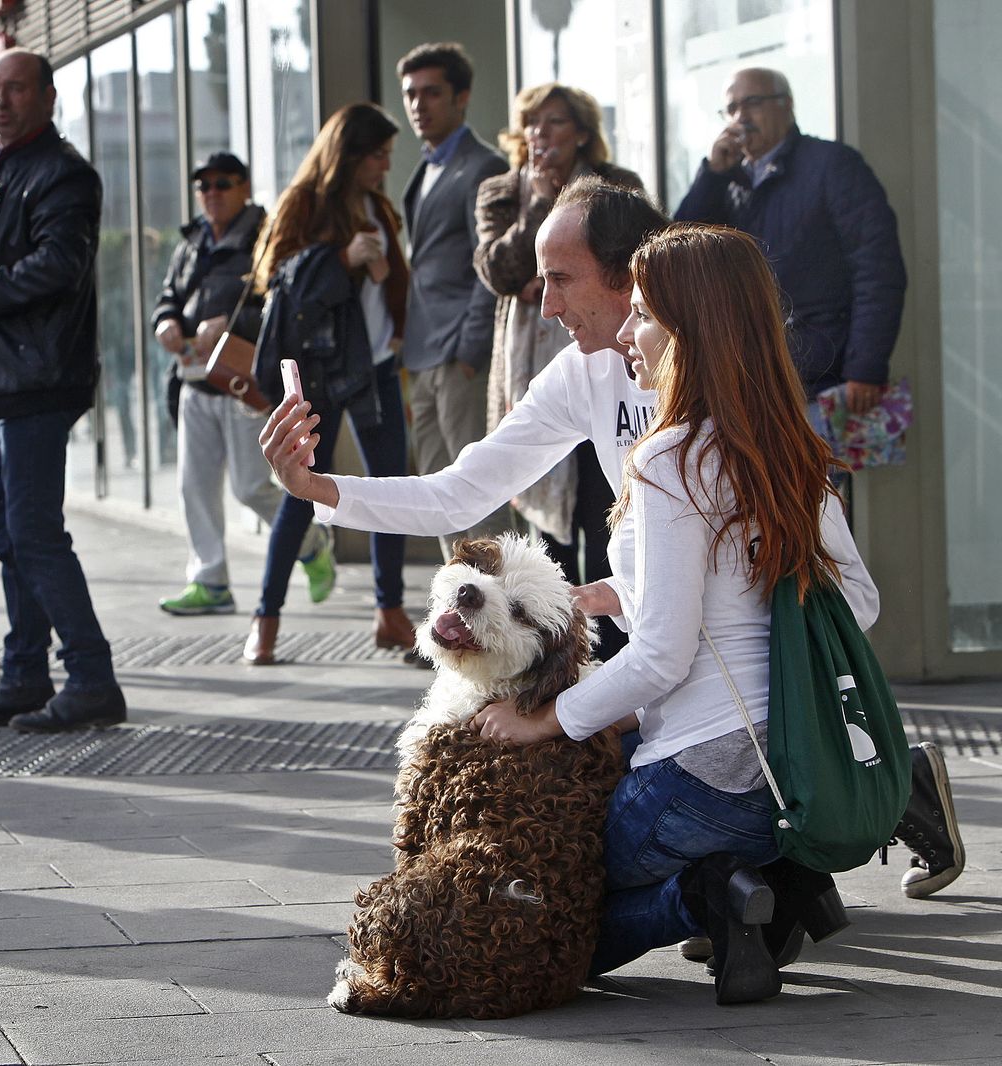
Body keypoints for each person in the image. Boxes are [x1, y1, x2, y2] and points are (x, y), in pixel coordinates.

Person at [262, 177, 961, 920]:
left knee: (558, 891)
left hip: (733, 708)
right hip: (677, 701)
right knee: (583, 785)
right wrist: (317, 487)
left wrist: (716, 617)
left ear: (635, 280)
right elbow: (461, 492)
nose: (546, 305)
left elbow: (847, 596)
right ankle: (785, 864)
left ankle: (822, 818)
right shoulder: (586, 372)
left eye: (560, 279)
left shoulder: (728, 405)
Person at [0, 49, 126, 733]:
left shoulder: (62, 173)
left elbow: (58, 266)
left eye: (15, 89)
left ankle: (92, 676)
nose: (0, 101)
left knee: (33, 531)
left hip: (39, 378)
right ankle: (24, 674)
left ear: (48, 95)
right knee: (7, 531)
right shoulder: (1, 171)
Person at [475, 82, 642, 659]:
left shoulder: (619, 188)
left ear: (581, 130)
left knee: (608, 511)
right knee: (546, 522)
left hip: (613, 364)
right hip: (533, 369)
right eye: (532, 124)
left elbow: (642, 257)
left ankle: (618, 654)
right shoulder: (503, 190)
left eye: (554, 122)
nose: (541, 135)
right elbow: (498, 270)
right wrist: (542, 206)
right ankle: (562, 656)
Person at [243, 102, 413, 666]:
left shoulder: (378, 206)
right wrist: (340, 258)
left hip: (378, 366)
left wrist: (386, 277)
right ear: (350, 154)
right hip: (319, 369)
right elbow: (275, 279)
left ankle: (390, 613)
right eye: (377, 156)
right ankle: (265, 619)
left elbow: (390, 288)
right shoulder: (305, 202)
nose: (385, 166)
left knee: (390, 489)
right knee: (300, 490)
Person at [151, 151, 330, 617]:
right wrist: (165, 321)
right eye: (203, 186)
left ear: (244, 187)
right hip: (193, 380)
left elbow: (282, 302)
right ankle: (210, 580)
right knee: (194, 485)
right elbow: (169, 294)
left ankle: (312, 542)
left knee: (252, 486)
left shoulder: (265, 235)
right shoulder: (190, 241)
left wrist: (232, 328)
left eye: (223, 183)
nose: (212, 193)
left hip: (240, 381)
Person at [673, 67, 906, 414]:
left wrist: (865, 369)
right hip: (746, 384)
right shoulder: (727, 180)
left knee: (817, 471)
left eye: (751, 103)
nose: (740, 117)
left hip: (821, 380)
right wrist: (713, 176)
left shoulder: (833, 165)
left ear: (787, 105)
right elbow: (678, 258)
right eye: (731, 109)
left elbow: (877, 270)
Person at [395, 43, 510, 560]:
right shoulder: (425, 170)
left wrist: (470, 350)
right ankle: (464, 621)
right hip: (424, 353)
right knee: (441, 496)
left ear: (461, 98)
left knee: (477, 494)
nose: (419, 105)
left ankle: (509, 623)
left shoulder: (482, 166)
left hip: (460, 358)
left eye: (432, 93)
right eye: (411, 95)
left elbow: (489, 266)